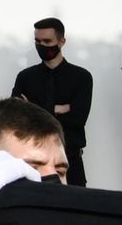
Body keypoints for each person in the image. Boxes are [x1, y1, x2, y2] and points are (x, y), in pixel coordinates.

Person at [13, 16, 93, 185]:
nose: (41, 46)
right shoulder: (25, 77)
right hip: (33, 163)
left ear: (61, 41)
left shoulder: (81, 77)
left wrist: (33, 108)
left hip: (71, 162)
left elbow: (78, 120)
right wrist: (56, 108)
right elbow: (17, 117)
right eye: (37, 41)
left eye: (47, 41)